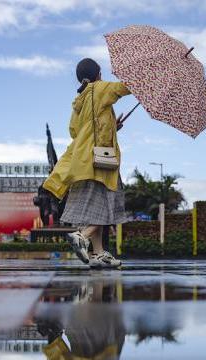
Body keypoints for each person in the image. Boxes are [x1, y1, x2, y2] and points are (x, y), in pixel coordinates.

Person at [43, 58, 130, 268]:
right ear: (98, 74)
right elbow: (124, 87)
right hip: (99, 162)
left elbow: (76, 132)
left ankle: (98, 253)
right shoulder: (99, 89)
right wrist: (149, 74)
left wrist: (110, 126)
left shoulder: (80, 101)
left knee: (94, 208)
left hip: (81, 161)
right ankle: (82, 236)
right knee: (105, 207)